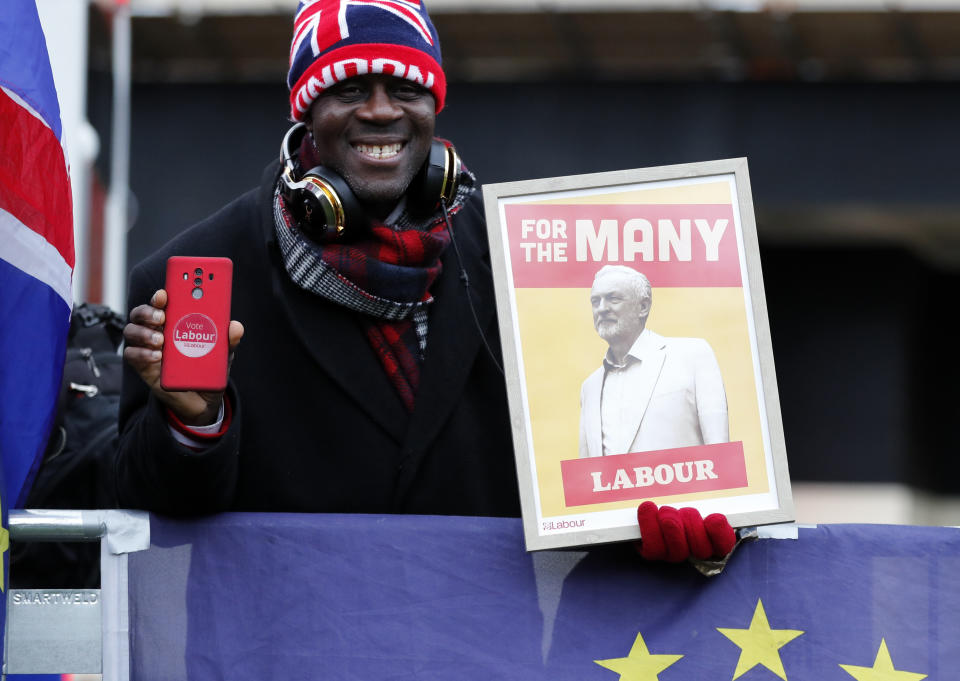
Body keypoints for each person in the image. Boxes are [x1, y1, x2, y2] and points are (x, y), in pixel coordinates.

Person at [118, 0, 734, 562]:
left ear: (434, 107)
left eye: (406, 88)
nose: (381, 110)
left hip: (487, 646)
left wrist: (675, 508)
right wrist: (194, 420)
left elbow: (586, 467)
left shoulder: (528, 261)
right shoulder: (189, 277)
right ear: (307, 111)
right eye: (350, 88)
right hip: (289, 645)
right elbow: (150, 513)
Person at [579, 265, 728, 459]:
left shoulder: (694, 355)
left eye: (613, 299)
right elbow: (587, 478)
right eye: (595, 301)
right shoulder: (589, 388)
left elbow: (721, 456)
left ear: (643, 307)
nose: (602, 309)